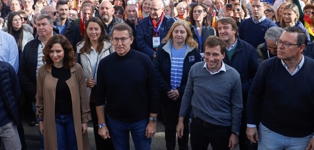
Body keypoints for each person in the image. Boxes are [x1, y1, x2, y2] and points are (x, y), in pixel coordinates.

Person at [246, 27, 314, 150]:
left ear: (302, 48)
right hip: (269, 134)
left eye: (287, 44)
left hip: (302, 137)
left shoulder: (312, 69)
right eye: (280, 42)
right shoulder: (266, 67)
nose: (280, 47)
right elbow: (254, 96)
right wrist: (251, 124)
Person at [96, 23, 159, 150]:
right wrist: (102, 124)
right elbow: (100, 96)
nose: (119, 43)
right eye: (116, 39)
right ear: (111, 40)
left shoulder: (144, 60)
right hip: (115, 121)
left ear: (131, 40)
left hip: (141, 120)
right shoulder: (104, 64)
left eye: (123, 39)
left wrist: (152, 121)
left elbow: (154, 92)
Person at [176, 36, 243, 150]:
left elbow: (237, 106)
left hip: (222, 128)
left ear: (223, 55)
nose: (210, 58)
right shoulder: (195, 69)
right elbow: (187, 95)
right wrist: (181, 120)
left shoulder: (233, 76)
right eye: (207, 54)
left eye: (215, 54)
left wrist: (234, 133)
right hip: (198, 126)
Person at [35, 35, 91, 150]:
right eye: (51, 51)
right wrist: (40, 120)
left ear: (65, 51)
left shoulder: (77, 69)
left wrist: (84, 120)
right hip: (53, 119)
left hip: (73, 117)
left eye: (58, 51)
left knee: (74, 147)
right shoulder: (43, 71)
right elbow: (40, 98)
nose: (54, 55)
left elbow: (83, 97)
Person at [153, 20, 201, 150]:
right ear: (171, 33)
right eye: (176, 31)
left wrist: (180, 91)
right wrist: (168, 90)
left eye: (182, 32)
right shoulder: (163, 49)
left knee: (184, 125)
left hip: (185, 95)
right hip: (167, 95)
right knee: (169, 126)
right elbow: (156, 71)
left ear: (187, 34)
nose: (179, 34)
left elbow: (196, 74)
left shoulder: (193, 51)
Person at [216, 17, 260, 149]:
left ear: (234, 30)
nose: (222, 31)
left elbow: (257, 76)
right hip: (221, 106)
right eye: (219, 28)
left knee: (245, 142)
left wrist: (240, 89)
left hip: (243, 104)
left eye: (225, 28)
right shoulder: (215, 49)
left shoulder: (248, 50)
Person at [76, 17, 114, 150]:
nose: (93, 32)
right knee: (99, 125)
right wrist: (86, 82)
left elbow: (116, 66)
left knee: (112, 126)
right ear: (86, 30)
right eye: (90, 29)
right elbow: (77, 72)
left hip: (109, 92)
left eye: (96, 29)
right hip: (91, 93)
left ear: (102, 30)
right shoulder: (79, 48)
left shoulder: (110, 46)